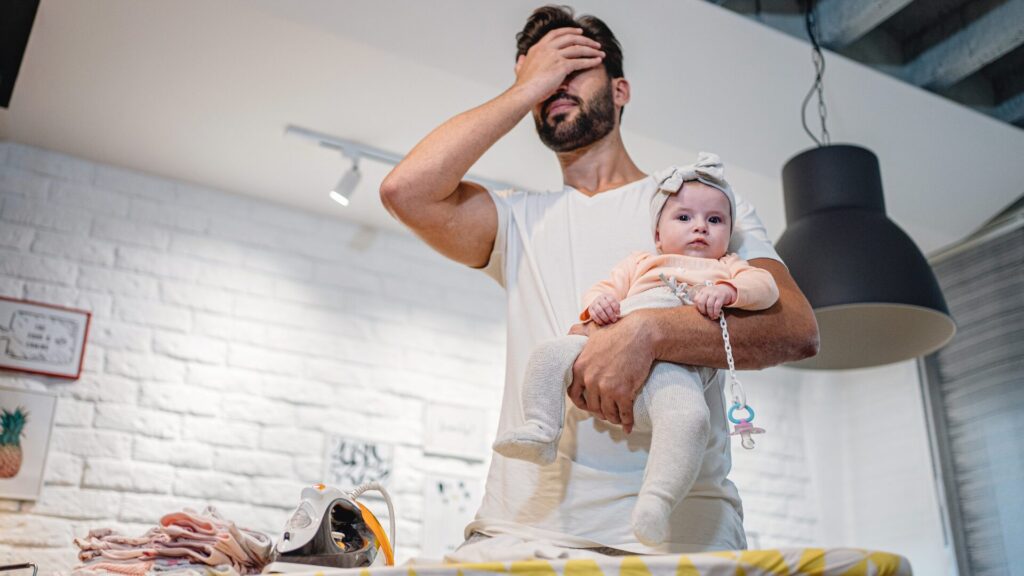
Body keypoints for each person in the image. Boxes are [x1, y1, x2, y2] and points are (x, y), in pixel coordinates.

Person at [380, 5, 818, 559]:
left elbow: (798, 328)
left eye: (573, 69)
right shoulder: (515, 218)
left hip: (682, 536)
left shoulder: (697, 204)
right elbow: (405, 191)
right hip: (522, 528)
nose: (556, 87)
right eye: (544, 75)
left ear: (620, 90)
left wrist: (647, 333)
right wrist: (523, 88)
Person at [492, 153, 779, 547]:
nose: (700, 227)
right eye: (684, 218)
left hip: (673, 374)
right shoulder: (641, 262)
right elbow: (604, 289)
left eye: (715, 220)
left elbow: (766, 288)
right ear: (658, 234)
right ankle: (541, 430)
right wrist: (601, 304)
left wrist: (730, 291)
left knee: (690, 418)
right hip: (608, 342)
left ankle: (656, 502)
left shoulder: (727, 267)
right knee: (548, 354)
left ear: (729, 234)